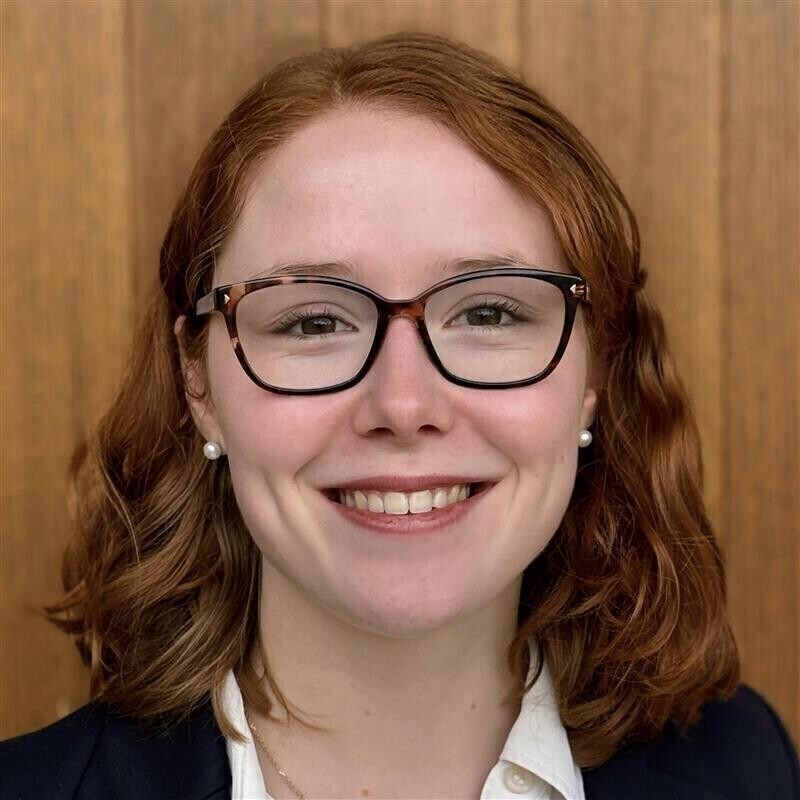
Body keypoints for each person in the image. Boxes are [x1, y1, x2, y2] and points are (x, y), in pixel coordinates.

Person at [1, 31, 798, 800]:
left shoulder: (748, 768)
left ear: (595, 369)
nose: (404, 405)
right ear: (197, 384)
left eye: (488, 312)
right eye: (314, 322)